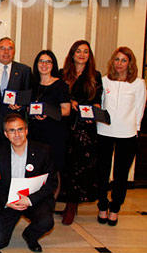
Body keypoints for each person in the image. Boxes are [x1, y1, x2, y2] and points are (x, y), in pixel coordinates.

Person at [0, 113, 57, 253]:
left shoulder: (43, 151)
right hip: (9, 201)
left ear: (26, 130)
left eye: (20, 129)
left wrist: (30, 200)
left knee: (46, 222)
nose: (17, 134)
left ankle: (30, 236)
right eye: (12, 130)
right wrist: (6, 201)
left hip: (34, 199)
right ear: (5, 134)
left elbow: (51, 183)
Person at [97, 46, 146, 225]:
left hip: (127, 134)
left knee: (120, 175)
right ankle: (102, 206)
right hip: (104, 132)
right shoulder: (104, 81)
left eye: (124, 60)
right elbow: (100, 106)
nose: (119, 64)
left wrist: (137, 129)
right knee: (102, 172)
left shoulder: (138, 83)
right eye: (117, 59)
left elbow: (139, 108)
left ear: (130, 63)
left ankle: (115, 208)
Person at [60, 40, 102, 224]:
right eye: (78, 51)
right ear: (72, 53)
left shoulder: (95, 75)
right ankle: (66, 200)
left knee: (80, 167)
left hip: (85, 127)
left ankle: (72, 205)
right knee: (65, 166)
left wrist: (89, 108)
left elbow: (98, 102)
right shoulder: (63, 74)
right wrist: (69, 101)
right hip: (65, 125)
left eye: (86, 51)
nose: (82, 54)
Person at [30, 50, 71, 176]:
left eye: (48, 61)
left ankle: (53, 196)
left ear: (53, 65)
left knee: (54, 170)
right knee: (36, 168)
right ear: (37, 64)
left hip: (54, 134)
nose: (44, 64)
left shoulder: (60, 85)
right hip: (35, 133)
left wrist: (48, 113)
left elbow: (66, 110)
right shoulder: (33, 85)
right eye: (41, 61)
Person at [0, 37, 32, 145]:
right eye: (2, 48)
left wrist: (20, 107)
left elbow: (29, 97)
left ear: (14, 51)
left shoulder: (24, 70)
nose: (6, 52)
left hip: (14, 122)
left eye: (10, 48)